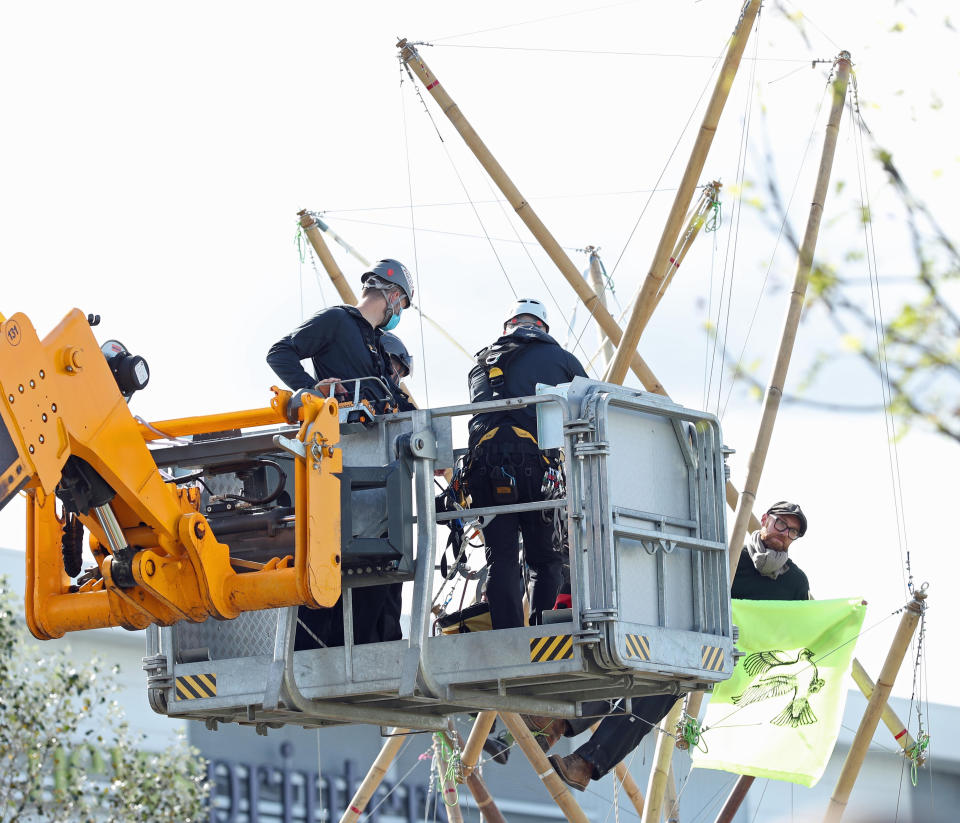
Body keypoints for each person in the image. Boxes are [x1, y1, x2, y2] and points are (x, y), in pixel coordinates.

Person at [540, 500, 811, 791]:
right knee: (627, 665)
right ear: (765, 519)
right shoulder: (731, 556)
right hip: (690, 640)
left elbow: (801, 627)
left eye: (793, 531)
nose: (785, 533)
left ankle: (585, 760)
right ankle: (561, 730)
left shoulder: (795, 582)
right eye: (782, 524)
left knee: (657, 692)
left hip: (729, 662)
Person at [266, 259, 414, 649]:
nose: (398, 312)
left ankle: (363, 643)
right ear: (393, 295)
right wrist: (312, 389)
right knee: (333, 553)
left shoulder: (376, 347)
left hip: (372, 465)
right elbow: (280, 352)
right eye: (400, 304)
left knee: (377, 562)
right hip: (341, 457)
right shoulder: (336, 321)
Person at [465, 298, 587, 630]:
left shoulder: (480, 363)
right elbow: (590, 406)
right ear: (542, 328)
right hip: (536, 469)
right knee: (545, 561)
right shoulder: (561, 359)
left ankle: (507, 636)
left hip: (484, 469)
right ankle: (540, 633)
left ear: (508, 326)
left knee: (501, 559)